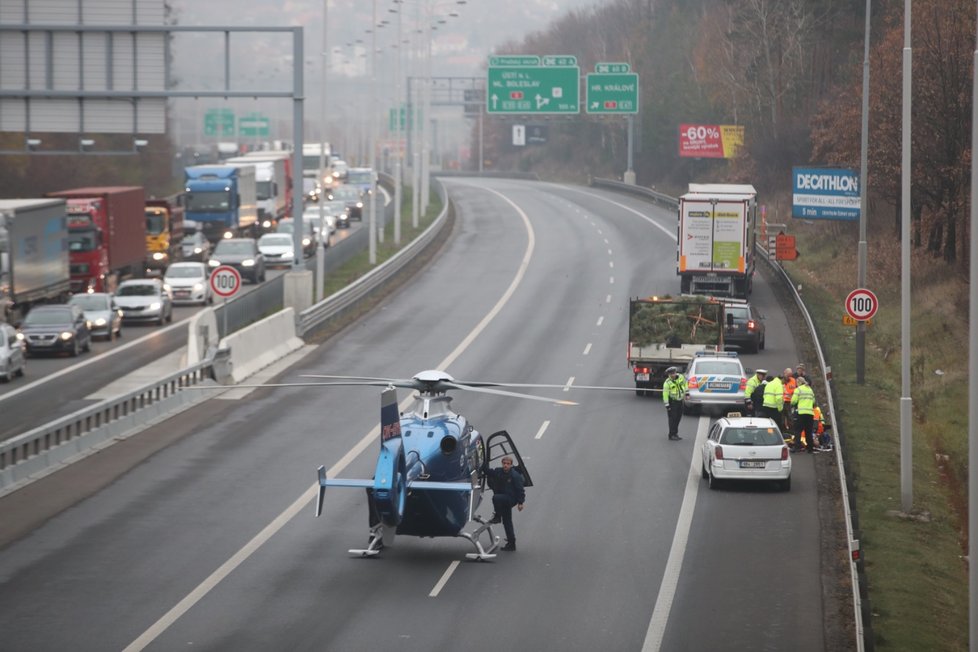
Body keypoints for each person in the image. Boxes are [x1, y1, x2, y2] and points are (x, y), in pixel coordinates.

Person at [487, 456, 525, 551]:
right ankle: (511, 543)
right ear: (502, 464)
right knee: (507, 521)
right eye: (504, 463)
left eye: (508, 464)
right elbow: (489, 472)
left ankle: (497, 516)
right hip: (503, 499)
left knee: (496, 498)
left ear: (511, 465)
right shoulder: (499, 471)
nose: (505, 465)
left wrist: (520, 503)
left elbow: (520, 490)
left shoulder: (515, 475)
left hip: (511, 499)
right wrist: (483, 463)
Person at [791, 377, 817, 453]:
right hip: (810, 414)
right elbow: (814, 402)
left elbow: (793, 401)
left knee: (798, 431)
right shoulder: (810, 390)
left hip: (801, 413)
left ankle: (797, 447)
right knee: (808, 432)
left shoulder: (798, 389)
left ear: (799, 382)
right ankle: (810, 448)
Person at [662, 366, 687, 440]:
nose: (673, 375)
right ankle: (671, 434)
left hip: (680, 401)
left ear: (676, 372)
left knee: (678, 418)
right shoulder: (667, 383)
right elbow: (665, 394)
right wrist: (667, 405)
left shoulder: (681, 377)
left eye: (673, 373)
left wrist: (687, 391)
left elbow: (685, 384)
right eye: (671, 374)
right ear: (668, 375)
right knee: (672, 419)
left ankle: (675, 433)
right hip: (673, 402)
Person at [781, 367, 797, 434]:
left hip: (790, 402)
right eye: (788, 375)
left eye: (790, 375)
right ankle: (783, 430)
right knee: (782, 417)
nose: (789, 377)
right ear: (784, 373)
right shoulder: (780, 381)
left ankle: (791, 431)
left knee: (790, 417)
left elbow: (796, 390)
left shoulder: (793, 380)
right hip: (781, 402)